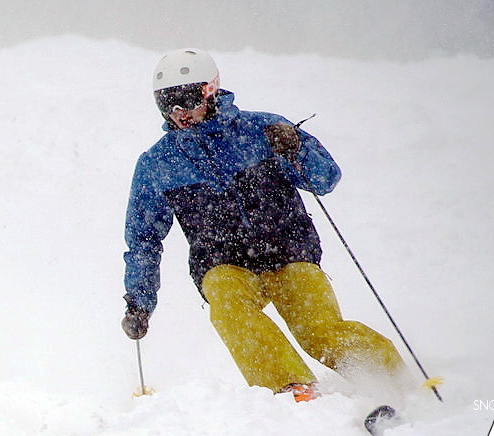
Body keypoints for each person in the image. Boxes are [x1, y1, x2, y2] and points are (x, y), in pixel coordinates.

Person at [121, 48, 406, 403]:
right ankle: (291, 384)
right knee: (228, 304)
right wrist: (139, 301)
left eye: (186, 98)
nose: (178, 112)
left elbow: (325, 180)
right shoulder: (158, 163)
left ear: (210, 90)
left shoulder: (262, 131)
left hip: (289, 253)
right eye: (167, 102)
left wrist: (297, 147)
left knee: (319, 332)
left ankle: (391, 377)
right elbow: (144, 238)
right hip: (224, 265)